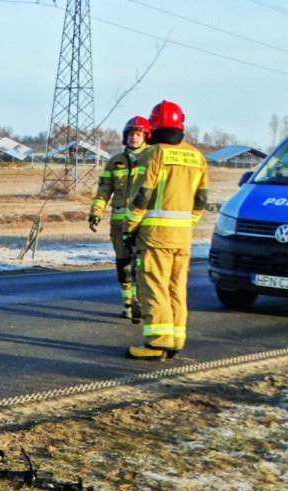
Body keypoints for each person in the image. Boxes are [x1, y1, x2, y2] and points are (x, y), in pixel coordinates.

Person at [124, 100, 209, 360]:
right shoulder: (197, 156)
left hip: (155, 237)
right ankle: (175, 340)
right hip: (182, 237)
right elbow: (201, 200)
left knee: (154, 288)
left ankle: (156, 344)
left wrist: (129, 227)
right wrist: (186, 224)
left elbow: (142, 196)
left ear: (154, 126)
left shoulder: (153, 153)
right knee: (176, 288)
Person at [89, 115, 152, 321]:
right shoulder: (114, 162)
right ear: (125, 137)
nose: (134, 137)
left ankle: (141, 303)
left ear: (145, 137)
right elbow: (104, 190)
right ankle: (128, 304)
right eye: (131, 134)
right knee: (123, 264)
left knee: (141, 266)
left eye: (138, 134)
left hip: (143, 224)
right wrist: (96, 211)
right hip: (119, 224)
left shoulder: (152, 159)